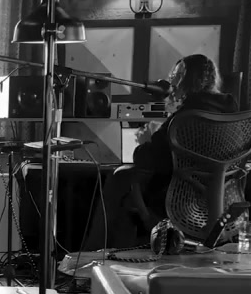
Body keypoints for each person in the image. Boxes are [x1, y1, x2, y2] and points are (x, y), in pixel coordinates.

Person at [97, 54, 238, 247]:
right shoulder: (230, 112)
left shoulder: (184, 117)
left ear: (185, 80)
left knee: (119, 179)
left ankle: (99, 252)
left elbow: (146, 159)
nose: (172, 84)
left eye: (175, 77)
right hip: (221, 200)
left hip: (178, 200)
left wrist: (146, 140)